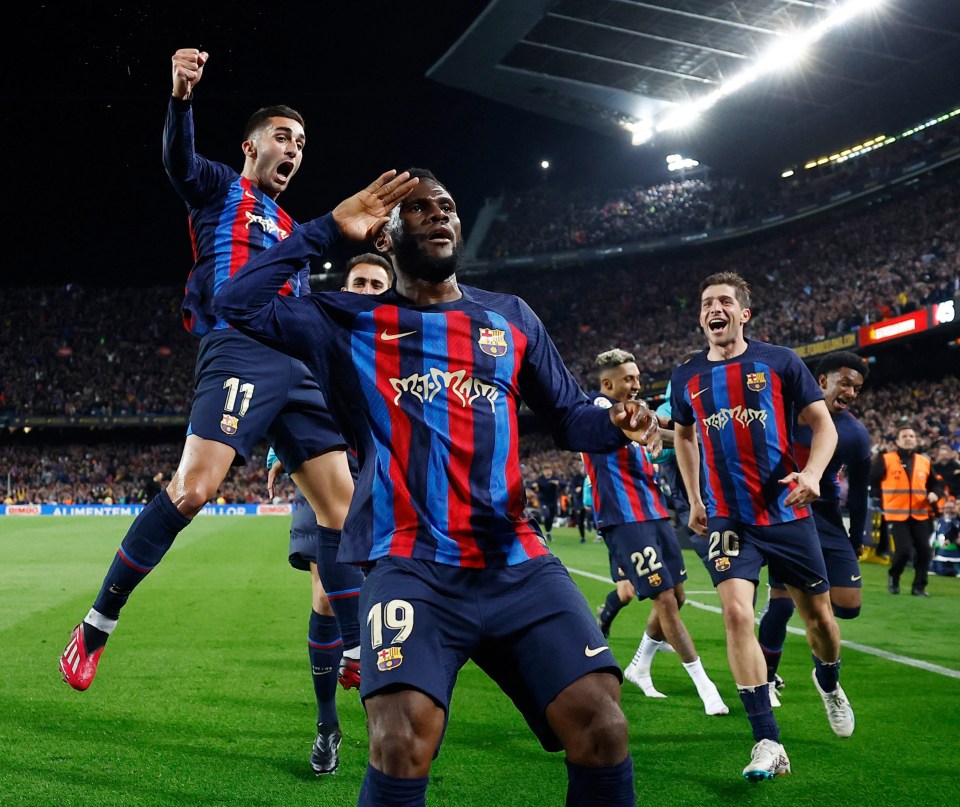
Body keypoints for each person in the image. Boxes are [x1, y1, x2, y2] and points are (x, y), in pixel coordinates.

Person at [216, 167, 664, 806]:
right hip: (410, 566)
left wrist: (616, 423)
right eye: (418, 208)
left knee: (603, 724)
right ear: (384, 236)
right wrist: (325, 230)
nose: (437, 214)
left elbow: (569, 417)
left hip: (515, 562)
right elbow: (232, 304)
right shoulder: (345, 321)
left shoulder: (509, 318)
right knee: (400, 742)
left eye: (447, 205)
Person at [59, 48, 358, 774]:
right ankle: (98, 622)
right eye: (283, 136)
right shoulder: (222, 188)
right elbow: (176, 162)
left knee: (344, 510)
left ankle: (349, 654)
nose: (294, 149)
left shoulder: (291, 228)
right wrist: (181, 99)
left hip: (299, 366)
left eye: (302, 143)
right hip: (241, 348)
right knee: (194, 488)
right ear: (252, 145)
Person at [671, 270, 854, 783]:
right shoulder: (686, 374)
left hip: (788, 510)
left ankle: (829, 680)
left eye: (725, 301)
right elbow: (684, 435)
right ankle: (767, 740)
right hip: (730, 518)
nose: (715, 308)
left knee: (819, 619)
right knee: (735, 615)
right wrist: (694, 497)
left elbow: (824, 425)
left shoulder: (779, 361)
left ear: (743, 313)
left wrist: (814, 475)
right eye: (707, 302)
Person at [264, 254, 394, 775]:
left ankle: (386, 722)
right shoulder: (315, 328)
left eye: (375, 284)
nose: (364, 289)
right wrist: (279, 451)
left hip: (379, 473)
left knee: (387, 598)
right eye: (357, 281)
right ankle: (327, 725)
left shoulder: (399, 338)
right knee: (324, 596)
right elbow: (284, 385)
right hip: (321, 464)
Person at [584, 349, 728, 716]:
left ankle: (639, 665)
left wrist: (688, 435)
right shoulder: (598, 406)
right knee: (663, 600)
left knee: (677, 597)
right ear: (607, 383)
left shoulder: (636, 410)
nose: (635, 384)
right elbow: (643, 429)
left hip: (654, 512)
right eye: (628, 378)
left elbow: (658, 433)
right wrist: (687, 431)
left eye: (636, 376)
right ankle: (705, 686)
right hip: (624, 519)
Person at [758, 351, 872, 707]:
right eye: (846, 383)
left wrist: (855, 540)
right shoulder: (782, 411)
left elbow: (860, 492)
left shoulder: (854, 433)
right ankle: (766, 678)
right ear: (822, 381)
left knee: (849, 605)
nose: (852, 392)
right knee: (780, 606)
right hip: (786, 515)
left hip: (826, 518)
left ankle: (808, 615)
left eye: (858, 388)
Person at [870, 425, 942, 596]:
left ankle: (919, 587)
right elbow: (872, 482)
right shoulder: (885, 459)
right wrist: (882, 501)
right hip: (896, 514)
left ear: (916, 440)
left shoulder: (925, 461)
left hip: (920, 513)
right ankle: (894, 577)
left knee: (924, 551)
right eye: (905, 436)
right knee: (903, 551)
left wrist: (934, 494)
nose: (909, 438)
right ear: (897, 441)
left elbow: (937, 484)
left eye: (911, 435)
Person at [931, 496, 959, 577]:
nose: (949, 510)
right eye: (947, 507)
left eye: (951, 508)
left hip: (956, 555)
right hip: (940, 555)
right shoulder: (938, 521)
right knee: (940, 571)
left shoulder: (957, 522)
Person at [535, 465, 561, 541]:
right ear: (543, 472)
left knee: (551, 517)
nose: (547, 472)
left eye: (549, 470)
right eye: (546, 471)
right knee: (546, 515)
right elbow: (533, 484)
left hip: (553, 501)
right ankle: (546, 532)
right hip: (544, 501)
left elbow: (563, 483)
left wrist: (557, 483)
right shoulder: (540, 479)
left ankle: (548, 532)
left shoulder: (555, 478)